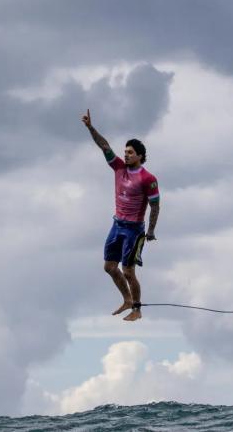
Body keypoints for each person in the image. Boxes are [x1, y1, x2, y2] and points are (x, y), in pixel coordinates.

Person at [82, 109, 160, 322]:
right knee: (109, 267)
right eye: (125, 151)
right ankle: (126, 299)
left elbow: (155, 206)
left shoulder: (148, 178)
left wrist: (151, 231)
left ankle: (137, 308)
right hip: (117, 225)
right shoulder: (118, 168)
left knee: (128, 271)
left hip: (134, 230)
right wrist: (90, 128)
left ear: (140, 156)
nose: (126, 155)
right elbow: (105, 146)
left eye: (130, 152)